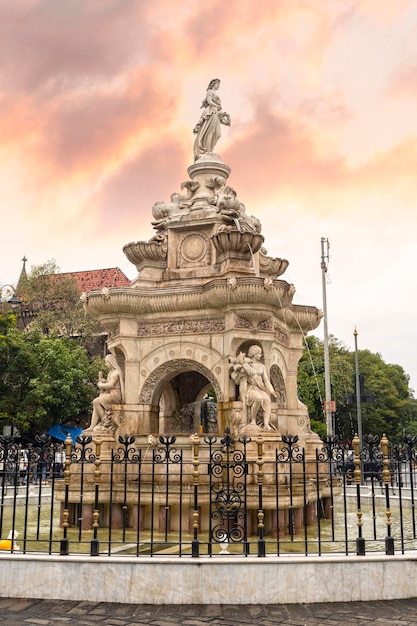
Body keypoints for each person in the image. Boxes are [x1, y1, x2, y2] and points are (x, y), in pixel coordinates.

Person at [230, 345, 278, 431]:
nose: (261, 355)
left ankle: (266, 424)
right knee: (258, 398)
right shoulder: (247, 364)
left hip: (260, 388)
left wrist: (272, 391)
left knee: (267, 399)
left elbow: (266, 381)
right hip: (250, 389)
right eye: (259, 353)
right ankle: (253, 421)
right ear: (254, 354)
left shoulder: (262, 366)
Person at [193, 79, 230, 160]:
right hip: (211, 112)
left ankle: (210, 149)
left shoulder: (215, 94)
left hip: (216, 113)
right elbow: (209, 101)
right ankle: (208, 150)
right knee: (211, 131)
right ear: (214, 84)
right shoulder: (210, 91)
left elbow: (218, 108)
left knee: (218, 134)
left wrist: (224, 119)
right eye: (218, 84)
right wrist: (217, 106)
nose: (219, 86)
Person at [88, 354, 124, 431]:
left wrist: (101, 385)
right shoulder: (111, 373)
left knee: (99, 400)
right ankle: (93, 425)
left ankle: (106, 422)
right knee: (95, 402)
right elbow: (109, 382)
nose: (106, 364)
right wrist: (104, 381)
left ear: (111, 362)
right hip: (110, 394)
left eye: (107, 362)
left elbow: (111, 385)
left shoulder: (116, 373)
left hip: (115, 395)